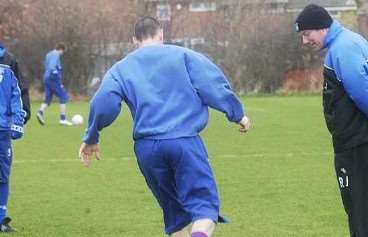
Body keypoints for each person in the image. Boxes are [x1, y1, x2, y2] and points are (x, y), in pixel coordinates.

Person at [78, 17, 250, 237]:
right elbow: (211, 85)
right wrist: (237, 114)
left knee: (174, 215)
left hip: (147, 149)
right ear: (161, 34)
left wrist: (92, 136)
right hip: (183, 141)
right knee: (204, 206)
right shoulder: (183, 56)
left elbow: (103, 102)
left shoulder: (120, 69)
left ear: (134, 40)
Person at [295, 4, 368, 237]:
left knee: (362, 210)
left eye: (306, 34)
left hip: (359, 143)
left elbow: (362, 91)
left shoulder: (342, 49)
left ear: (322, 28)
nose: (305, 41)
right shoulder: (352, 41)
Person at [0, 64, 26, 232]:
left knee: (3, 175)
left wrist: (17, 122)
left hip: (2, 131)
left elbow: (16, 97)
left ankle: (1, 219)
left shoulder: (7, 72)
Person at [36, 43, 72, 126]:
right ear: (61, 49)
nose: (62, 53)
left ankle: (40, 112)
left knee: (48, 98)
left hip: (46, 78)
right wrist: (56, 73)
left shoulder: (49, 54)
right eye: (63, 52)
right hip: (53, 78)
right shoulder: (56, 54)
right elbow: (52, 66)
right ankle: (63, 119)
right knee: (63, 96)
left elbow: (46, 65)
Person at [0, 42, 31, 124]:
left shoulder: (9, 60)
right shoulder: (9, 58)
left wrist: (24, 111)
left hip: (4, 121)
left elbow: (20, 87)